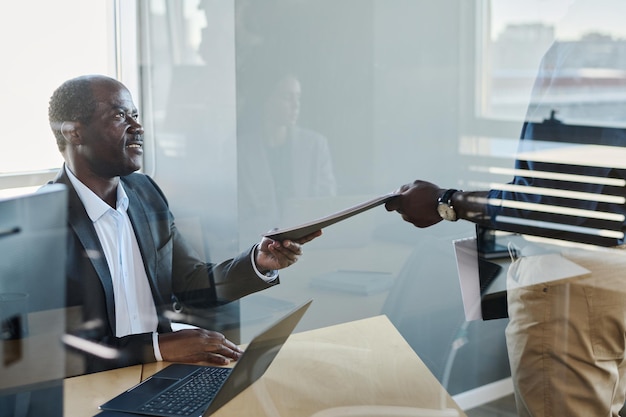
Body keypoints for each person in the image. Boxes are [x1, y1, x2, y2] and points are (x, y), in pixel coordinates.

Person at [385, 38, 626, 417]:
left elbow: (551, 204)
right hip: (608, 277)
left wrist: (445, 202)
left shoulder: (584, 53)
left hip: (571, 285)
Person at [46, 74, 321, 374]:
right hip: (94, 384)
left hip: (163, 372)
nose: (137, 127)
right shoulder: (42, 222)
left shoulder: (146, 194)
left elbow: (191, 282)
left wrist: (258, 261)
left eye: (135, 115)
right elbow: (49, 350)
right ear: (74, 133)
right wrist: (156, 346)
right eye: (119, 115)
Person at [237, 71, 337, 243]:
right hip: (256, 244)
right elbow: (240, 211)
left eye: (298, 97)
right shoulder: (241, 150)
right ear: (266, 100)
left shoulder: (315, 145)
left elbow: (327, 201)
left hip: (309, 242)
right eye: (286, 97)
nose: (295, 105)